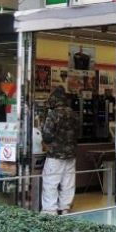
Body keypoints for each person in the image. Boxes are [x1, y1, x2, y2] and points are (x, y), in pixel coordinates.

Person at [41, 86, 79, 215]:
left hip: (55, 154)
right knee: (68, 182)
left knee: (51, 181)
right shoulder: (74, 114)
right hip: (71, 154)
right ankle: (65, 208)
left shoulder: (53, 114)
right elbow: (79, 133)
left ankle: (50, 210)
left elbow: (47, 135)